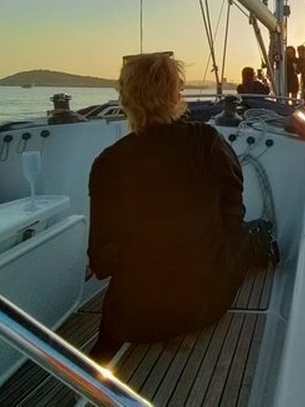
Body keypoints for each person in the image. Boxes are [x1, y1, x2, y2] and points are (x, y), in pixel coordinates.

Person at [88, 53, 276, 364]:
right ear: (176, 96)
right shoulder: (206, 141)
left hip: (133, 320)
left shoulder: (107, 164)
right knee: (247, 235)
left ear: (126, 99)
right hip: (204, 304)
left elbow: (102, 262)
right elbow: (233, 216)